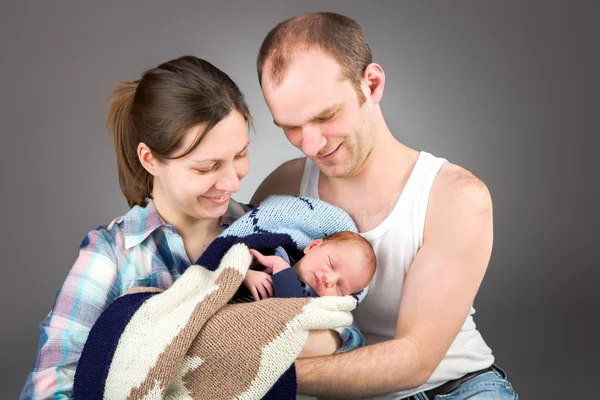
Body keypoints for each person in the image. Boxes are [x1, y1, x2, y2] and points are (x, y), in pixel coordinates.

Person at [251, 12, 519, 399]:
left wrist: (253, 370)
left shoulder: (454, 197)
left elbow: (414, 361)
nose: (310, 145)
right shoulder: (285, 186)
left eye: (325, 115)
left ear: (371, 84)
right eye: (290, 127)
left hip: (452, 390)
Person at [20, 55, 256, 400]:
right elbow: (48, 385)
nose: (232, 182)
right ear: (150, 160)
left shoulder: (262, 230)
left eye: (240, 155)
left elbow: (336, 329)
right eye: (207, 167)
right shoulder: (112, 256)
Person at [242, 230, 376, 301]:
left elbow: (290, 307)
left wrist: (279, 266)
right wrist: (245, 275)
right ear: (312, 246)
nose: (330, 280)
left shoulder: (311, 302)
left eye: (340, 288)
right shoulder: (272, 252)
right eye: (331, 264)